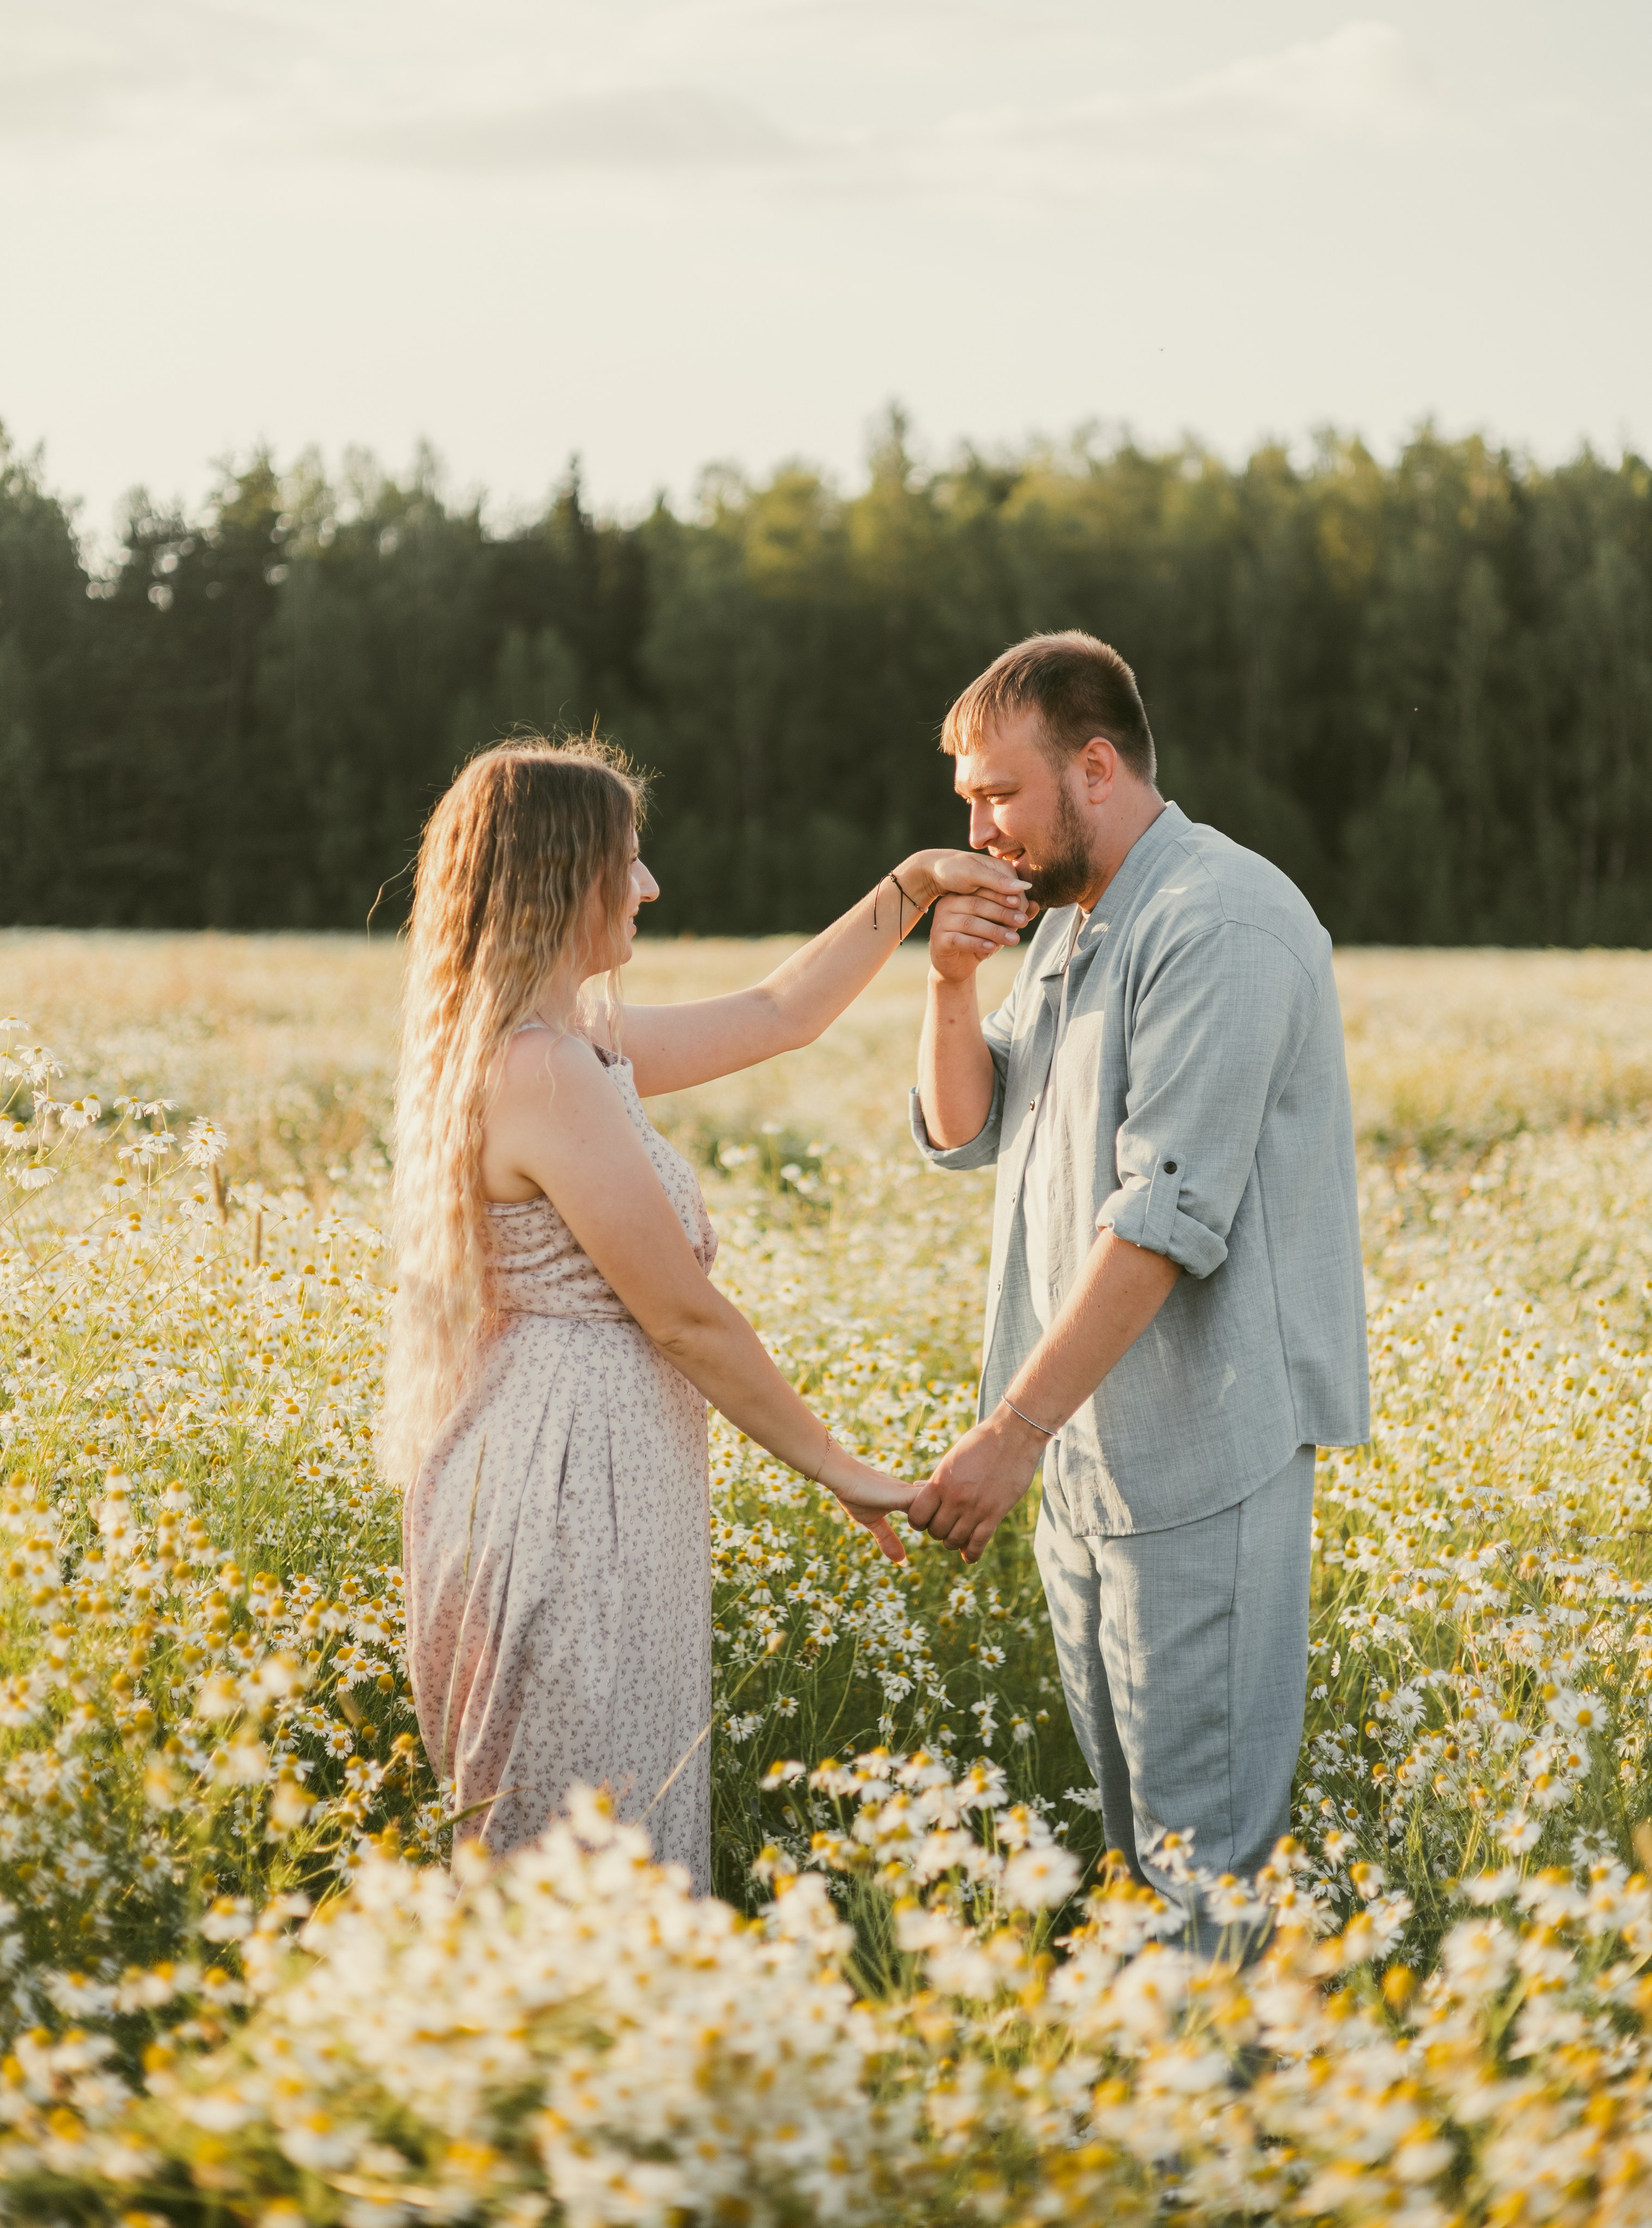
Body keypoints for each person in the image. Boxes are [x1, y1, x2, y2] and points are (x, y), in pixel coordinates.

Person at [382, 734, 1031, 1892]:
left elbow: (782, 1012)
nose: (648, 886)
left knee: (594, 1829)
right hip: (569, 1488)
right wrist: (839, 1466)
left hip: (596, 1469)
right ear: (557, 878)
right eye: (626, 863)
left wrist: (914, 888)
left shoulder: (572, 1047)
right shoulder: (539, 1071)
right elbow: (684, 1317)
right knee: (579, 1844)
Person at [907, 631, 1368, 1948]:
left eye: (998, 793)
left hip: (1200, 1456)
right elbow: (965, 1126)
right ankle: (1163, 2134)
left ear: (1092, 768)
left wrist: (1006, 1437)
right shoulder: (1071, 922)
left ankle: (1211, 2152)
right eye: (966, 803)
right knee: (1134, 1849)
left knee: (1199, 1863)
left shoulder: (1214, 921)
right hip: (1090, 1458)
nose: (978, 827)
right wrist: (948, 983)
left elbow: (1163, 1222)